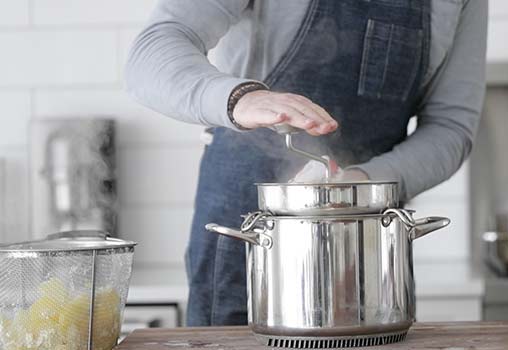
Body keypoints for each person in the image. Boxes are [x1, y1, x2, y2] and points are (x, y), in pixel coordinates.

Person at [125, 0, 488, 326]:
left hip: (365, 243)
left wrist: (362, 182)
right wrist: (238, 98)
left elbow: (450, 128)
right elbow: (153, 50)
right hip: (245, 235)